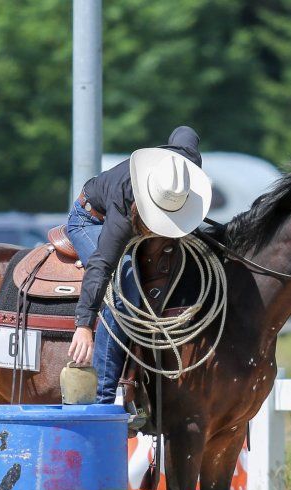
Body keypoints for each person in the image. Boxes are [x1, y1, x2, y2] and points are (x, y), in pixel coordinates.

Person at [65, 125, 213, 403]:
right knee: (123, 287)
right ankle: (104, 397)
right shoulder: (123, 209)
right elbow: (101, 265)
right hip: (89, 219)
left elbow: (184, 131)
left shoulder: (182, 169)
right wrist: (84, 325)